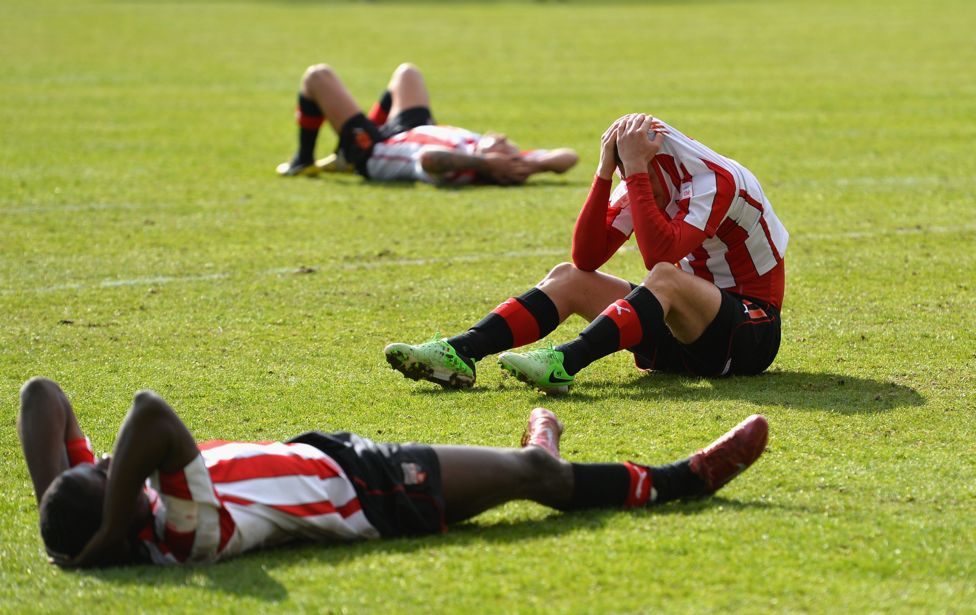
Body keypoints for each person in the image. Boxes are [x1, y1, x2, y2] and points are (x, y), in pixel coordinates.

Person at [18, 377, 767, 567]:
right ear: (127, 522)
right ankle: (683, 480)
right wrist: (109, 521)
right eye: (105, 476)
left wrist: (61, 509)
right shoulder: (181, 532)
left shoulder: (129, 511)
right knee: (540, 478)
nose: (114, 462)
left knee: (525, 470)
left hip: (334, 457)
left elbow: (40, 395)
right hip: (373, 493)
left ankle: (542, 443)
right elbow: (151, 413)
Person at [384, 113, 789, 392]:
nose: (632, 183)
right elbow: (587, 258)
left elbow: (659, 257)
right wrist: (603, 172)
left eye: (634, 171)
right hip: (683, 335)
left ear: (657, 161)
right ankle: (460, 352)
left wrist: (634, 173)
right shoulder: (644, 177)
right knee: (567, 277)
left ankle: (564, 362)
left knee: (664, 277)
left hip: (750, 334)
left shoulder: (713, 179)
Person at [276, 62, 578, 186]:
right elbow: (568, 157)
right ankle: (346, 150)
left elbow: (429, 159)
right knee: (408, 73)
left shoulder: (465, 166)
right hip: (412, 129)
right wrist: (532, 165)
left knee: (318, 77)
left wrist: (487, 162)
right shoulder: (504, 159)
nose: (502, 136)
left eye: (505, 143)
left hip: (376, 151)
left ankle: (303, 160)